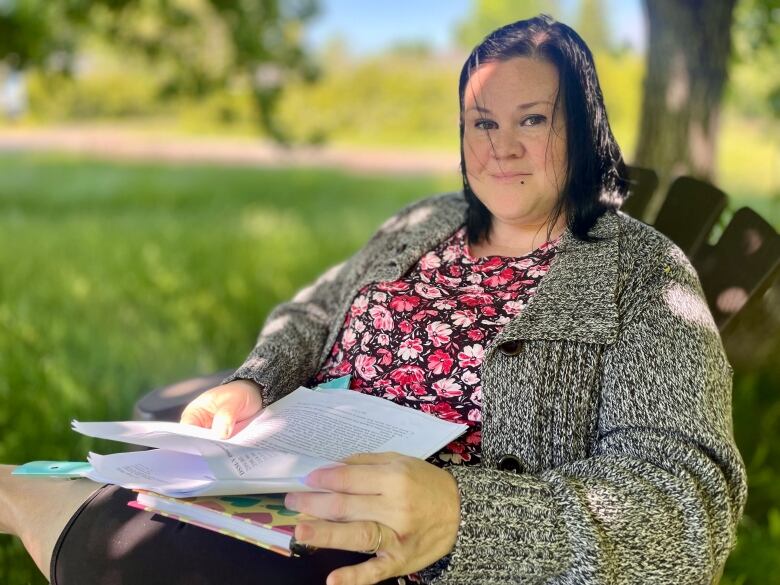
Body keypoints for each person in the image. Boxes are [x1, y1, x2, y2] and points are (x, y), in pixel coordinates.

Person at [0, 14, 746, 585]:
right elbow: (313, 313)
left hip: (404, 556)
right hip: (285, 484)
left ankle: (35, 497)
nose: (501, 147)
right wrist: (253, 379)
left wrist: (467, 518)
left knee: (111, 542)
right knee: (124, 522)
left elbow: (688, 504)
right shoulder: (426, 222)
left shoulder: (645, 278)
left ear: (583, 130)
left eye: (532, 120)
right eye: (482, 122)